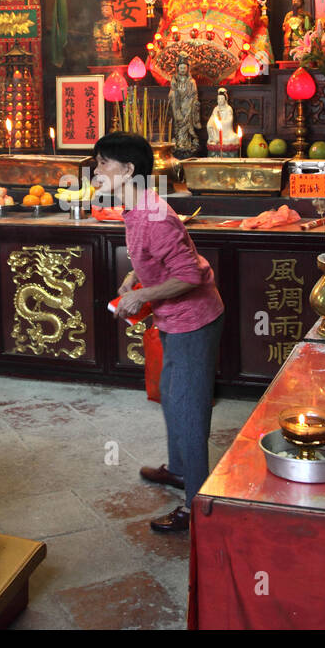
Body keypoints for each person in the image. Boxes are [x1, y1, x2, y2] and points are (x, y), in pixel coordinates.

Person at [96, 132, 224, 533]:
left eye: (103, 164)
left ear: (128, 170)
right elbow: (152, 254)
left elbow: (188, 274)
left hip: (194, 320)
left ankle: (197, 505)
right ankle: (182, 470)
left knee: (188, 407)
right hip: (172, 318)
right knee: (171, 394)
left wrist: (143, 296)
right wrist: (135, 277)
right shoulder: (135, 208)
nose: (96, 171)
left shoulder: (156, 215)